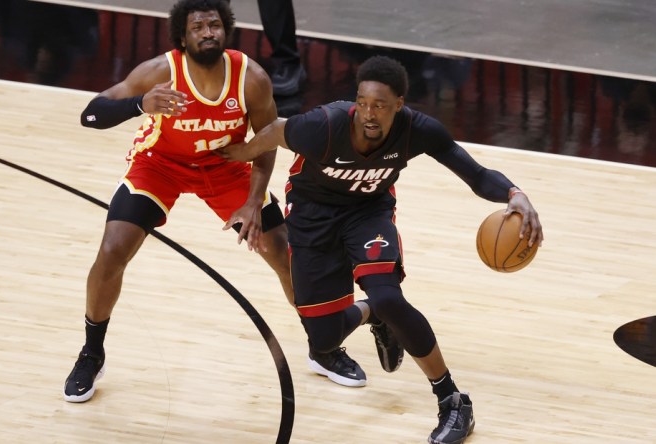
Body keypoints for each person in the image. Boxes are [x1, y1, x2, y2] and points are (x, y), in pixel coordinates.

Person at [219, 55, 544, 443]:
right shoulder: (321, 126)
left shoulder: (417, 130)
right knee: (324, 340)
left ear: (399, 105)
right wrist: (243, 162)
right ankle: (373, 314)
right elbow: (273, 131)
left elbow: (474, 174)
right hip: (312, 218)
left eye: (380, 106)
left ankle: (453, 400)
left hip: (367, 213)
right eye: (363, 103)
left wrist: (515, 193)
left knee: (390, 296)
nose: (369, 114)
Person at [63, 0, 369, 403]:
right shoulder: (160, 72)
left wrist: (254, 201)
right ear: (182, 36)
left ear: (225, 30)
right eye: (198, 27)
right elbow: (91, 114)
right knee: (113, 248)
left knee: (287, 253)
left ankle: (323, 347)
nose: (208, 32)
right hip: (161, 164)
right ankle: (91, 351)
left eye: (214, 25)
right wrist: (139, 105)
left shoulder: (251, 77)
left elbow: (268, 139)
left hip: (227, 165)